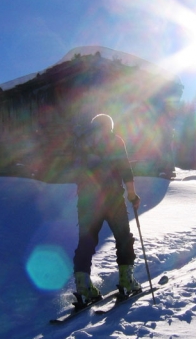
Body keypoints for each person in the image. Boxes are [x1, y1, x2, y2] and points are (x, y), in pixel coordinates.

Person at [72, 114, 142, 302]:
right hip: (111, 199)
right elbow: (125, 169)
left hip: (87, 200)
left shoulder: (83, 144)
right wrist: (132, 194)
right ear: (110, 126)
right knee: (123, 237)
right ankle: (126, 280)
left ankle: (83, 285)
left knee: (86, 240)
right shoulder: (115, 141)